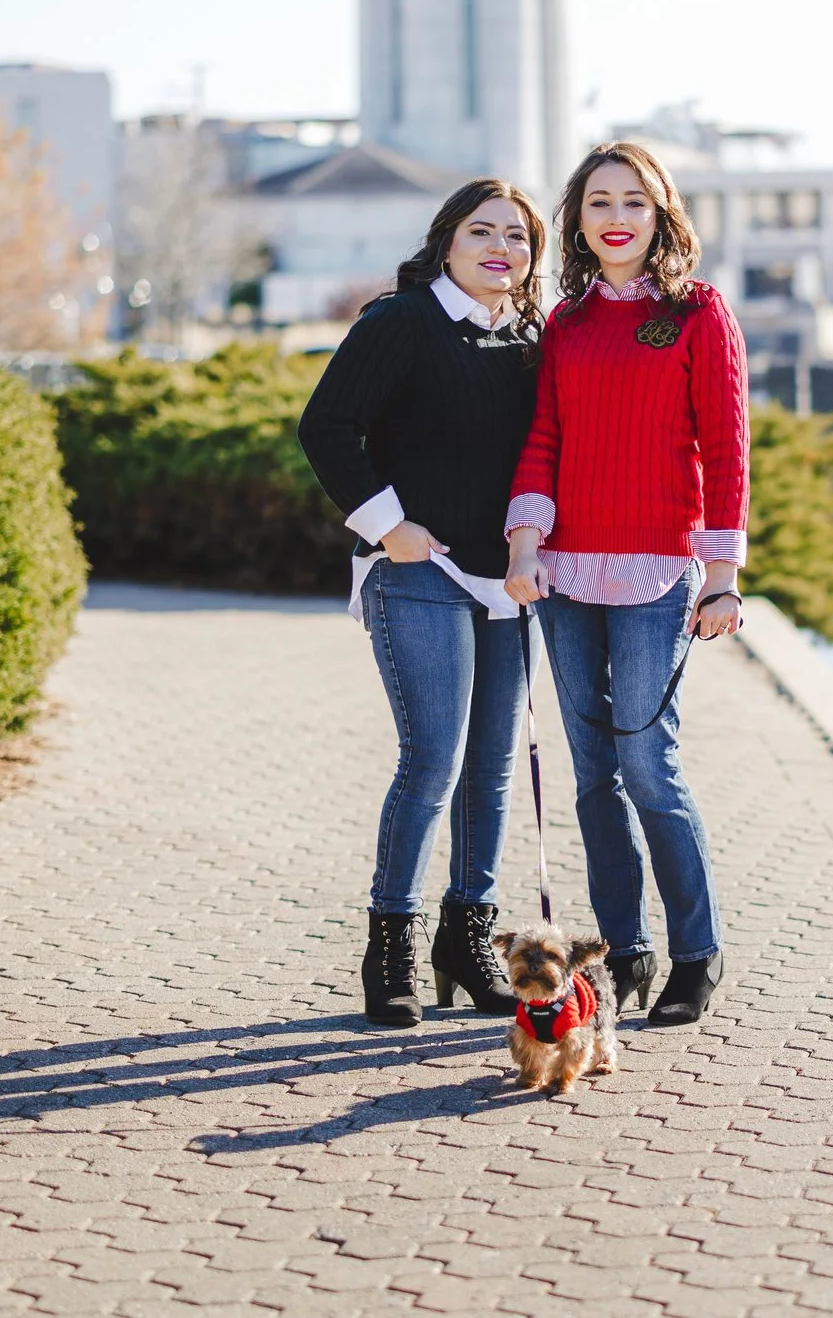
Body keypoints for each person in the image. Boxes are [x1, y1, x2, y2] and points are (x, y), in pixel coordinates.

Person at [503, 140, 748, 1028]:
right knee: (593, 775)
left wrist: (721, 578)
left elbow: (725, 452)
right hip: (566, 573)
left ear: (661, 215)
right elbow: (544, 439)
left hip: (656, 573)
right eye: (599, 201)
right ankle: (623, 948)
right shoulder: (565, 323)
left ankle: (696, 951)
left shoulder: (698, 313)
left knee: (649, 765)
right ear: (579, 218)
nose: (616, 216)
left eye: (633, 202)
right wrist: (526, 545)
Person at [298, 180, 545, 1028]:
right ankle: (391, 944)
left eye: (517, 236)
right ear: (447, 241)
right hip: (420, 571)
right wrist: (386, 523)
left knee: (492, 771)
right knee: (432, 758)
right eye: (482, 231)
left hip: (507, 580)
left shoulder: (527, 341)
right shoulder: (399, 322)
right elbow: (325, 426)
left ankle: (465, 937)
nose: (499, 247)